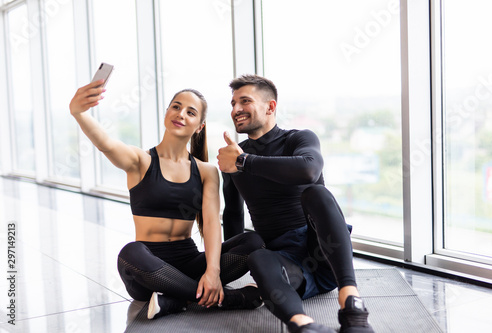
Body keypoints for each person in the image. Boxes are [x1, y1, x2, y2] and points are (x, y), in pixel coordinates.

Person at [69, 79, 264, 321]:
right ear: (167, 112)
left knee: (253, 241)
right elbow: (106, 144)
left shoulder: (206, 171)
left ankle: (175, 298)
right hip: (147, 268)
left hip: (190, 262)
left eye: (190, 112)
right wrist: (78, 112)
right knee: (130, 252)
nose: (181, 114)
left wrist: (212, 272)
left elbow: (213, 223)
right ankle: (223, 299)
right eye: (176, 107)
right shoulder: (140, 161)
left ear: (200, 126)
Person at [217, 74, 375, 333]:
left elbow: (309, 170)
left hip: (324, 251)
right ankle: (304, 326)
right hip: (287, 265)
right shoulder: (233, 157)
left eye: (244, 101)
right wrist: (232, 267)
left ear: (270, 107)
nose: (236, 110)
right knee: (257, 257)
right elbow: (233, 214)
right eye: (233, 103)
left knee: (317, 194)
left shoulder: (298, 138)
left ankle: (352, 307)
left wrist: (244, 161)